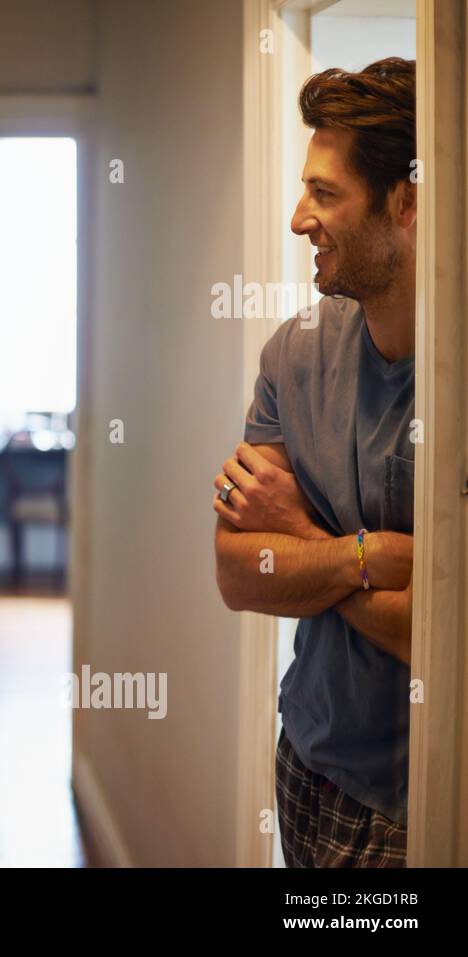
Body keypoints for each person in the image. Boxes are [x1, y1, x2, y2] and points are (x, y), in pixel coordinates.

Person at [212, 58, 416, 867]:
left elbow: (445, 637)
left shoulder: (454, 382)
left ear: (405, 203)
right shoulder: (294, 353)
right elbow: (238, 575)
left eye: (325, 194)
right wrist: (366, 556)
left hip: (416, 796)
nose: (299, 219)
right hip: (305, 760)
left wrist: (300, 533)